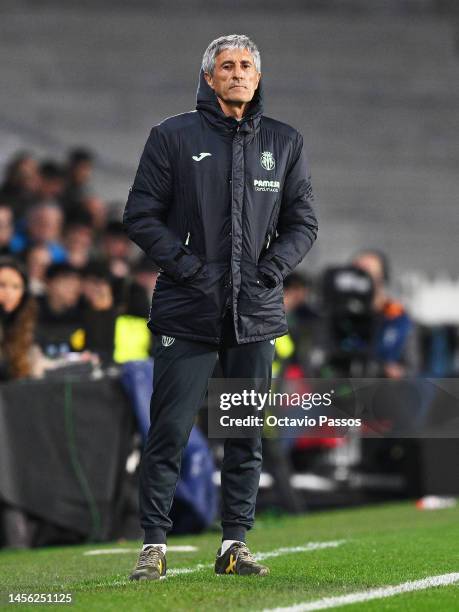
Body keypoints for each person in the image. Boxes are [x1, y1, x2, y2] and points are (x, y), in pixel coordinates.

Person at [123, 34, 318, 580]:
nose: (237, 74)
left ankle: (234, 544)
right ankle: (154, 545)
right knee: (170, 430)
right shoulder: (172, 136)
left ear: (258, 78)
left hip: (253, 314)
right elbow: (140, 215)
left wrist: (271, 269)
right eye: (226, 66)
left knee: (245, 433)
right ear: (209, 78)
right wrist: (188, 269)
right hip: (186, 311)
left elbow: (303, 222)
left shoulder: (285, 142)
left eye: (246, 66)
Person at [352, 249, 413, 378]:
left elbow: (412, 366)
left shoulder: (398, 317)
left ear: (382, 277)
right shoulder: (339, 317)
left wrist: (392, 371)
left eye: (367, 272)